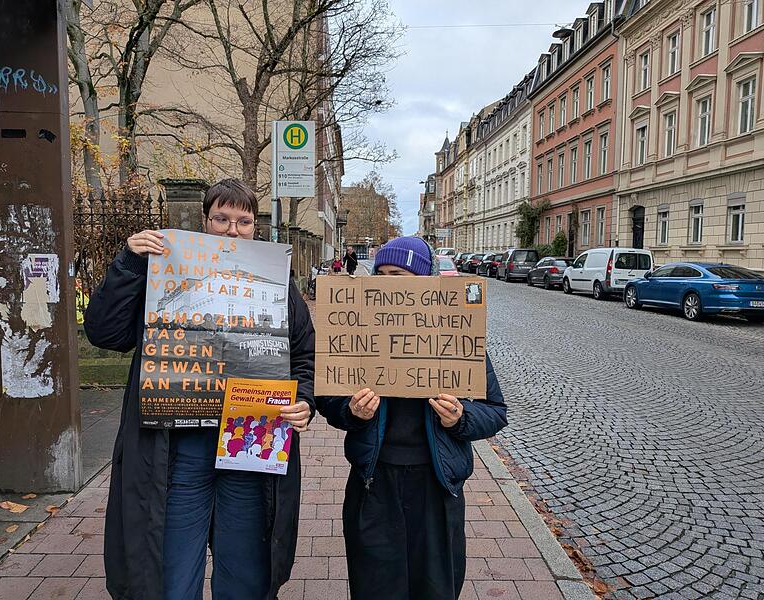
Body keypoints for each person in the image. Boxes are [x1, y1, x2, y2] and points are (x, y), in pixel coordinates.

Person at [84, 178, 315, 600]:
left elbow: (303, 356)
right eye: (222, 219)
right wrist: (130, 265)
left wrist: (304, 402)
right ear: (205, 222)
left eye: (243, 221)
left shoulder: (277, 280)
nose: (232, 230)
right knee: (171, 574)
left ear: (255, 228)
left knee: (245, 573)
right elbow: (104, 331)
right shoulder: (163, 271)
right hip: (179, 453)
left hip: (250, 447)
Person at [315, 236, 508, 600]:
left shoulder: (455, 333)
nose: (391, 284)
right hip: (374, 482)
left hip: (436, 485)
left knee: (434, 587)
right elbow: (329, 397)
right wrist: (351, 411)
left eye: (400, 275)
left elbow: (496, 411)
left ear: (424, 284)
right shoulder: (355, 332)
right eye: (383, 274)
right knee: (375, 585)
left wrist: (461, 418)